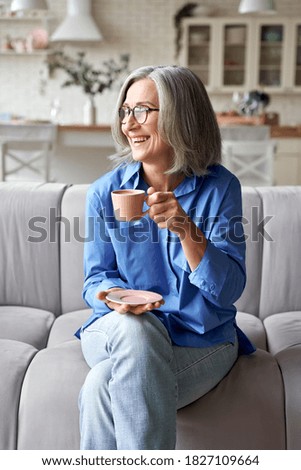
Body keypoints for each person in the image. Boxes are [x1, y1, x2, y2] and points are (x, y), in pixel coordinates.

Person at [76, 65, 255, 450]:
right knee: (137, 329)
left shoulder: (220, 188)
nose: (129, 123)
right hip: (116, 331)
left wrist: (185, 228)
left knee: (99, 387)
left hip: (200, 339)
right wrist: (115, 297)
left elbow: (227, 292)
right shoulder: (103, 192)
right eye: (125, 111)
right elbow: (95, 280)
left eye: (142, 110)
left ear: (180, 116)